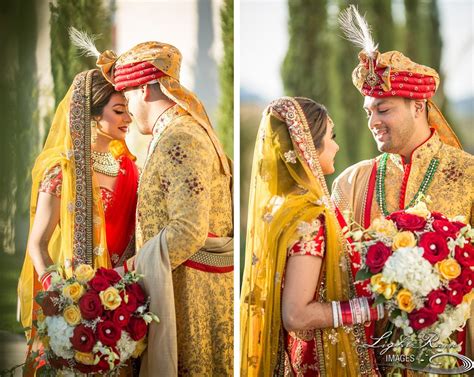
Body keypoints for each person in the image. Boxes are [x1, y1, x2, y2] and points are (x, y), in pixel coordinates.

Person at [333, 5, 474, 373]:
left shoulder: (469, 174)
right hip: (372, 357)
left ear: (419, 107)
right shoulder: (350, 183)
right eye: (368, 112)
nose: (373, 121)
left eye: (384, 109)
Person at [97, 41, 234, 376]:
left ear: (144, 88)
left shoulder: (181, 137)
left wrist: (123, 275)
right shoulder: (173, 132)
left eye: (126, 97)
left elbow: (188, 229)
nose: (126, 110)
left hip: (192, 298)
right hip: (180, 287)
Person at [240, 96, 384, 377]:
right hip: (320, 361)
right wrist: (370, 309)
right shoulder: (310, 216)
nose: (337, 146)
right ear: (309, 145)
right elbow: (296, 314)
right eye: (331, 136)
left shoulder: (280, 206)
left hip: (295, 355)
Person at [17, 68, 139, 375]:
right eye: (119, 111)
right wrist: (60, 298)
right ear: (92, 115)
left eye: (129, 111)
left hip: (124, 300)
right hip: (75, 303)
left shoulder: (129, 169)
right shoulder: (62, 172)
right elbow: (38, 243)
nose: (129, 119)